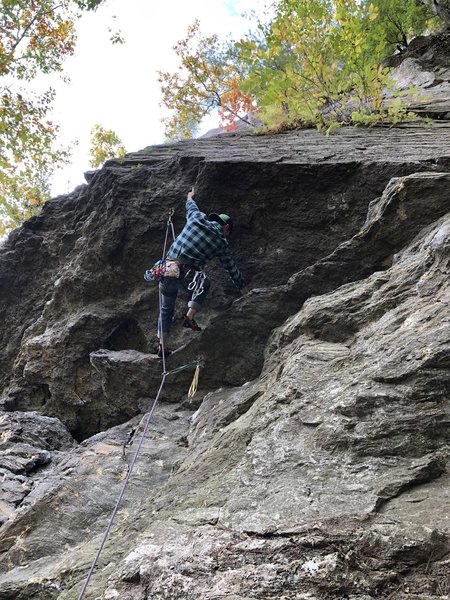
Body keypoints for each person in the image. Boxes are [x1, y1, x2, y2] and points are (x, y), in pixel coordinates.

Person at [157, 188, 248, 358]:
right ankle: (189, 316)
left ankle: (162, 346)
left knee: (165, 309)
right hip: (186, 271)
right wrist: (244, 291)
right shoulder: (221, 243)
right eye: (228, 233)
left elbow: (190, 205)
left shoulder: (197, 217)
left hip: (166, 268)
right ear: (226, 227)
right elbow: (231, 269)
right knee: (204, 283)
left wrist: (190, 195)